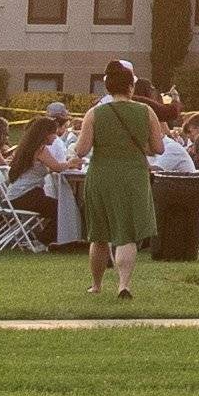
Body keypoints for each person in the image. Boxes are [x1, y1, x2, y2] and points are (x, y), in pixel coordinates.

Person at [82, 58, 165, 306]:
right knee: (126, 233)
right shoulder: (146, 111)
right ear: (132, 87)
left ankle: (96, 285)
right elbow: (158, 148)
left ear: (107, 87)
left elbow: (81, 149)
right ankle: (124, 284)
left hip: (102, 175)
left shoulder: (95, 113)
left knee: (99, 235)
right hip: (133, 176)